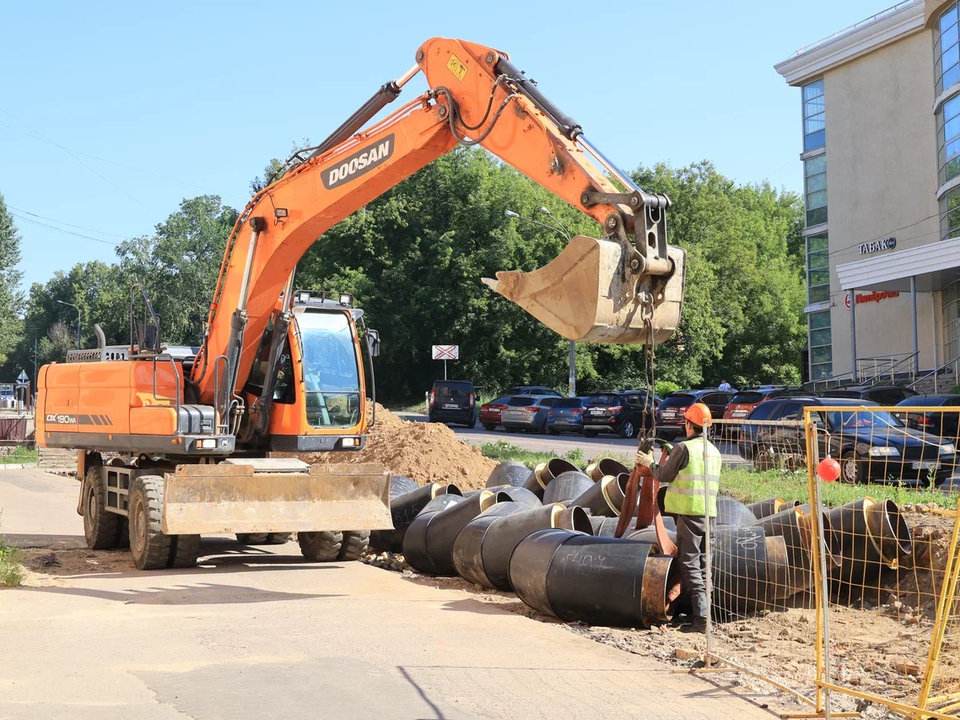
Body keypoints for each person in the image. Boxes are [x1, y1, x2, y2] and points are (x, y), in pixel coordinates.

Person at [635, 402, 721, 628]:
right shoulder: (714, 451)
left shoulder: (684, 448)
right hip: (709, 515)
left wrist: (649, 463)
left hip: (689, 513)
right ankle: (705, 614)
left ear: (689, 425)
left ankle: (702, 619)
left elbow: (664, 474)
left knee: (689, 563)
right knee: (704, 564)